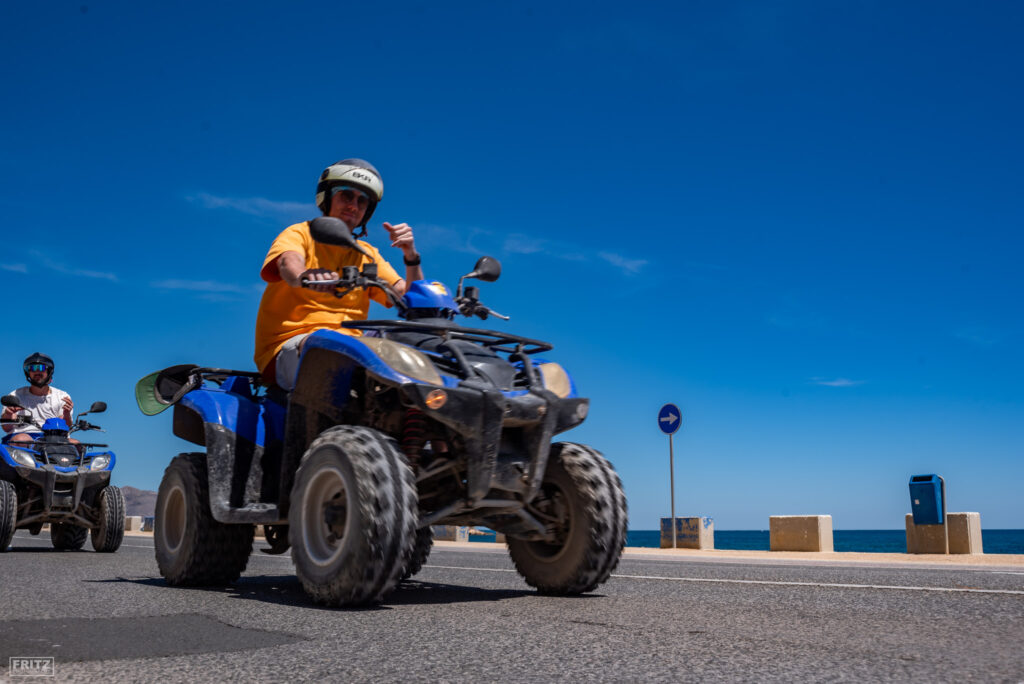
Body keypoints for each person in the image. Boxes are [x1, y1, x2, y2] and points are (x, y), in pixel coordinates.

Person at [254, 158, 424, 390]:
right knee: (331, 346)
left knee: (414, 346)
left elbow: (409, 298)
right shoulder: (300, 233)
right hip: (293, 345)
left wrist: (410, 255)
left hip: (352, 347)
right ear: (327, 197)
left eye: (362, 201)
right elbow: (288, 263)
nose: (354, 205)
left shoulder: (366, 254)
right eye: (346, 195)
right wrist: (306, 275)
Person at [2, 353, 74, 443]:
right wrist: (8, 414)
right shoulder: (15, 395)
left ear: (49, 371)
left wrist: (66, 414)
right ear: (28, 372)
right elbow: (6, 428)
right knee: (22, 439)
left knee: (76, 444)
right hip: (22, 437)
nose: (37, 372)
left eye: (41, 368)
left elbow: (66, 427)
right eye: (32, 368)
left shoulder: (62, 396)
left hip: (53, 438)